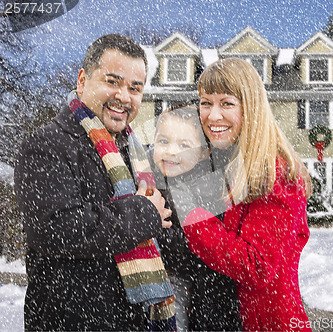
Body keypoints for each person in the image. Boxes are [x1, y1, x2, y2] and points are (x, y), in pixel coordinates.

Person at [15, 34, 176, 331]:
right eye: (112, 82)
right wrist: (142, 212)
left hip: (136, 322)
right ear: (82, 80)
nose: (124, 97)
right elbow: (55, 230)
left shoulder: (135, 153)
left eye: (134, 88)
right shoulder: (47, 144)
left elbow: (160, 231)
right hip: (74, 322)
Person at [178, 57, 313, 331]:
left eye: (226, 103)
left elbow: (257, 265)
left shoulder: (277, 173)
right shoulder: (231, 162)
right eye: (206, 102)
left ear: (250, 107)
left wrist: (192, 217)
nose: (213, 115)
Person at [151, 102, 242, 331]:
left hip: (190, 282)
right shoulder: (147, 177)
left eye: (184, 145)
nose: (171, 151)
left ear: (203, 153)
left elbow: (195, 243)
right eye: (163, 141)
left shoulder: (207, 189)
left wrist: (158, 232)